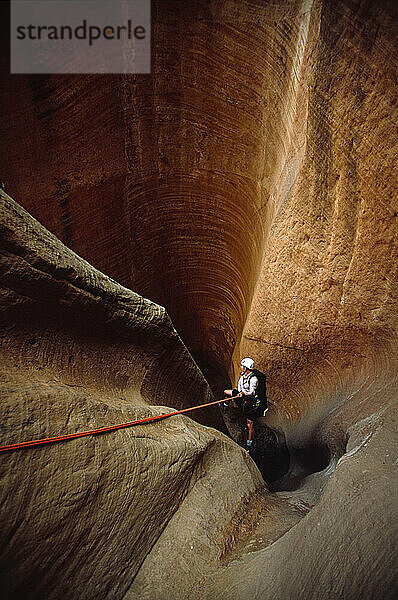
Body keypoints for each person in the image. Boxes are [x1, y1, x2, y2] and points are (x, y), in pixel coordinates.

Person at [222, 357, 262, 452]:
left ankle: (249, 445)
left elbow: (252, 392)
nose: (241, 367)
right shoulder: (243, 375)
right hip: (241, 397)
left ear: (246, 367)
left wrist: (243, 393)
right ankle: (225, 406)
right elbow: (240, 386)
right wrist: (239, 393)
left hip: (249, 402)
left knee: (249, 424)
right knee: (226, 392)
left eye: (243, 366)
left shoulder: (254, 379)